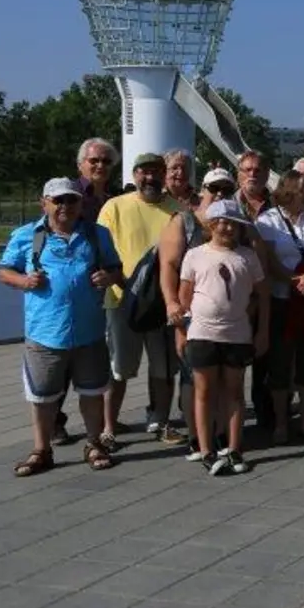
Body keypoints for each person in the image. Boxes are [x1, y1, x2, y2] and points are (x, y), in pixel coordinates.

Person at [0, 178, 124, 476]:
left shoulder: (97, 234)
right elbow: (3, 271)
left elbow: (117, 269)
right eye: (58, 201)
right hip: (45, 333)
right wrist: (24, 281)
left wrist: (108, 277)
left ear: (81, 203)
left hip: (89, 331)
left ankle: (94, 444)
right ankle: (42, 450)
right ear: (44, 203)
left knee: (92, 393)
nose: (65, 206)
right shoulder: (27, 235)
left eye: (71, 200)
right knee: (42, 397)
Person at [96, 152, 183, 448]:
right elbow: (101, 251)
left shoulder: (178, 211)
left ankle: (159, 420)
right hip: (122, 302)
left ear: (164, 175)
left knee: (164, 369)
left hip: (163, 306)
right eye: (144, 172)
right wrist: (119, 281)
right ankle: (108, 428)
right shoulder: (114, 207)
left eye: (156, 172)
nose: (150, 178)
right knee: (118, 368)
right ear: (134, 176)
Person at [177, 199, 268, 474]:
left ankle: (234, 447)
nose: (227, 227)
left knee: (234, 392)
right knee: (204, 391)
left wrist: (261, 330)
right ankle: (206, 449)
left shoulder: (247, 256)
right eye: (221, 222)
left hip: (237, 333)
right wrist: (182, 331)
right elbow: (185, 297)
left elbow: (262, 295)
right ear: (210, 224)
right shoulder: (195, 255)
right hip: (203, 332)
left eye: (233, 223)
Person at [254, 170, 304, 444]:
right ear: (290, 190)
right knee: (280, 364)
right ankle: (280, 422)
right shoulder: (268, 221)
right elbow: (268, 261)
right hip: (282, 300)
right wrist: (294, 281)